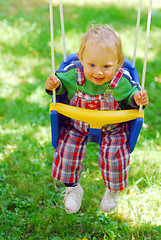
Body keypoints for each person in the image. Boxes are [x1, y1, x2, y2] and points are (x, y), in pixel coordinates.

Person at [45, 25, 149, 214]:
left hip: (112, 128)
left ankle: (112, 190)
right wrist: (54, 84)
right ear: (81, 58)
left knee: (115, 156)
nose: (98, 72)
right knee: (67, 150)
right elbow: (59, 89)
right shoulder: (72, 75)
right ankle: (73, 188)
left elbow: (132, 95)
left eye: (106, 66)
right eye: (91, 65)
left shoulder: (121, 81)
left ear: (119, 63)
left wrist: (137, 99)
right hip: (78, 125)